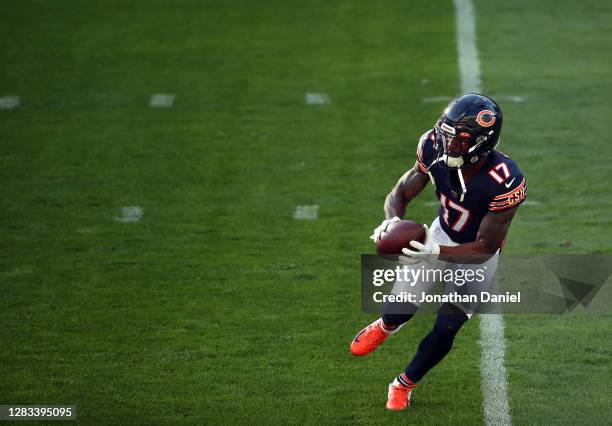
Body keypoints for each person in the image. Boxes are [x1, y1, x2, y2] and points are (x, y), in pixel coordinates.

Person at [350, 94, 527, 410]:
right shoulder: (432, 146)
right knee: (396, 310)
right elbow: (402, 190)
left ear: (481, 144)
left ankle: (403, 384)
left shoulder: (505, 180)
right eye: (445, 134)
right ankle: (386, 326)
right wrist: (391, 221)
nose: (446, 144)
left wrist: (435, 252)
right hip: (440, 233)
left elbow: (485, 247)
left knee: (446, 328)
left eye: (456, 140)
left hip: (476, 255)